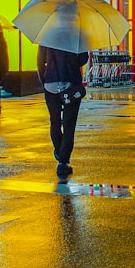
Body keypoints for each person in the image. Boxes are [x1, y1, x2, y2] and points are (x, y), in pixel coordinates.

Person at [37, 45, 89, 182]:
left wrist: (44, 79)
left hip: (50, 83)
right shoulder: (76, 35)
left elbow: (40, 60)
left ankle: (59, 150)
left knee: (54, 121)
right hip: (71, 83)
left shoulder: (47, 35)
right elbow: (83, 59)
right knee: (69, 124)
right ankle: (63, 161)